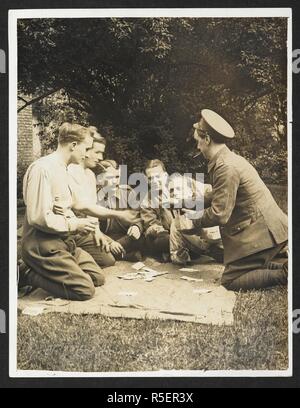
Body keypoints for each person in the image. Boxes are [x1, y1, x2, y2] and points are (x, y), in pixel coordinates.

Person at [182, 109, 288, 291]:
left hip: (263, 232)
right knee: (238, 268)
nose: (198, 147)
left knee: (231, 281)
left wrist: (192, 220)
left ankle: (286, 273)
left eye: (198, 141)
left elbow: (220, 214)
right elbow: (218, 193)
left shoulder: (226, 167)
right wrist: (188, 202)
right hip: (265, 227)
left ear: (207, 139)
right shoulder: (226, 160)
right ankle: (282, 263)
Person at [20, 123, 105, 301]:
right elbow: (38, 218)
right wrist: (75, 224)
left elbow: (63, 208)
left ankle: (53, 273)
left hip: (63, 240)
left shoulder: (64, 168)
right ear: (73, 145)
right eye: (87, 148)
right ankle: (27, 274)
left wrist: (74, 221)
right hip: (42, 244)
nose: (88, 154)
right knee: (84, 290)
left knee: (97, 277)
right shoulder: (42, 169)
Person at [169, 174, 224, 265]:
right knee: (176, 224)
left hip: (226, 243)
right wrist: (179, 255)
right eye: (171, 190)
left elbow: (218, 221)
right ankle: (208, 251)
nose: (174, 193)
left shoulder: (205, 202)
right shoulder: (178, 216)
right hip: (205, 247)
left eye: (179, 188)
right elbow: (175, 251)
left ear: (190, 191)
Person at [96, 161, 144, 262]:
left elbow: (138, 215)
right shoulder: (95, 197)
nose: (115, 181)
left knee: (140, 237)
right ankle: (125, 255)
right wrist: (110, 242)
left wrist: (136, 226)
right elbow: (93, 227)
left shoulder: (128, 193)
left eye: (117, 177)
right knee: (96, 245)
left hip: (126, 237)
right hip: (106, 237)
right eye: (110, 178)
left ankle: (118, 252)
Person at [141, 160, 175, 262]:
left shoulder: (178, 190)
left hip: (183, 231)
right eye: (151, 178)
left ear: (165, 176)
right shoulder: (147, 200)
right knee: (162, 240)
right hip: (163, 235)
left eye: (158, 176)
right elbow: (152, 224)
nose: (155, 181)